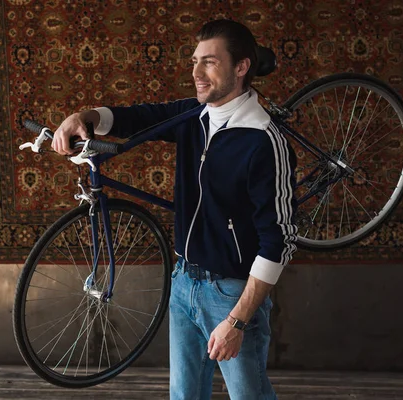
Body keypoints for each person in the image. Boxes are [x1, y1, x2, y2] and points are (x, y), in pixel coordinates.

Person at [52, 18, 297, 400]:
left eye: (210, 62)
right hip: (183, 282)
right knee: (184, 396)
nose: (196, 73)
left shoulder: (264, 142)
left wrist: (237, 320)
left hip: (231, 292)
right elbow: (136, 117)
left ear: (242, 66)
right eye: (195, 61)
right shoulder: (192, 116)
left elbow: (277, 242)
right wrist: (85, 117)